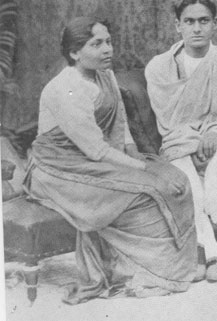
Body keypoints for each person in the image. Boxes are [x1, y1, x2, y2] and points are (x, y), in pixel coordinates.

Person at [24, 17, 199, 304]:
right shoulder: (65, 88)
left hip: (94, 158)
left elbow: (120, 127)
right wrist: (144, 172)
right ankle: (143, 272)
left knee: (175, 178)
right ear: (74, 53)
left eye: (108, 41)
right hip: (57, 169)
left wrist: (140, 160)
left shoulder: (105, 75)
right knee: (147, 190)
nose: (108, 49)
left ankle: (176, 269)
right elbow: (96, 151)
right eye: (97, 44)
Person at [145, 0, 217, 282]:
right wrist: (195, 142)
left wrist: (216, 132)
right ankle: (201, 247)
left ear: (215, 24)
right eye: (189, 21)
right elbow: (168, 119)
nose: (197, 28)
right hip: (179, 141)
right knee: (182, 173)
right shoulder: (159, 67)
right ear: (177, 25)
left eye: (204, 21)